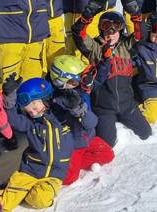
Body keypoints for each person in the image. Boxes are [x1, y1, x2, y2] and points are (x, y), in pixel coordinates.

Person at [72, 0, 152, 146]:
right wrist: (88, 14)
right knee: (107, 142)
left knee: (146, 133)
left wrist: (136, 15)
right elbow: (78, 33)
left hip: (127, 104)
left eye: (116, 27)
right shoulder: (95, 48)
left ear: (120, 30)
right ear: (101, 29)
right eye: (106, 27)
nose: (111, 32)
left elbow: (141, 35)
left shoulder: (126, 46)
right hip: (104, 108)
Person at [0, 77, 74, 212]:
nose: (32, 112)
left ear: (45, 99)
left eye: (34, 107)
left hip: (54, 176)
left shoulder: (64, 119)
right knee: (5, 204)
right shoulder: (31, 124)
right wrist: (9, 96)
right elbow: (14, 119)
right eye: (28, 111)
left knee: (41, 199)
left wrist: (78, 107)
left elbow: (89, 124)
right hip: (30, 172)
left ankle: (23, 192)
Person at [47, 55, 115, 185]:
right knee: (69, 178)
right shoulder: (55, 99)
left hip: (87, 137)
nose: (78, 83)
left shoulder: (79, 89)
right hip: (72, 143)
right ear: (60, 81)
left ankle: (75, 163)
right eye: (74, 81)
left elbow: (98, 78)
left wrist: (105, 61)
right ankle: (65, 164)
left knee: (108, 155)